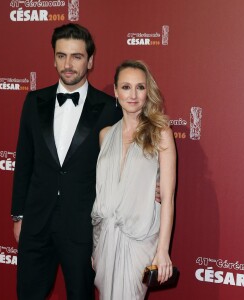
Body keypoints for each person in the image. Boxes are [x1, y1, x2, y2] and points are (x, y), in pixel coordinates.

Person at [11, 23, 122, 300]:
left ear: (91, 60)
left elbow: (122, 167)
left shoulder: (110, 108)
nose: (68, 64)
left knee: (80, 294)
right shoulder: (33, 101)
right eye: (61, 55)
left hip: (82, 224)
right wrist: (19, 215)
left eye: (76, 56)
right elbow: (24, 160)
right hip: (36, 221)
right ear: (53, 58)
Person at [91, 60, 176, 300]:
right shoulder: (105, 135)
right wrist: (95, 243)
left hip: (140, 241)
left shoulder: (161, 134)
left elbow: (167, 198)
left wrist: (163, 251)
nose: (133, 94)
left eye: (140, 87)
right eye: (126, 87)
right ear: (116, 92)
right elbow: (102, 190)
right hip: (104, 239)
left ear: (147, 91)